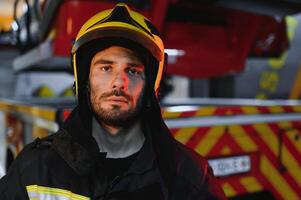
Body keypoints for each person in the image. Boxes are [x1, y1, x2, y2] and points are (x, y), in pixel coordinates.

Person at [0, 3, 226, 199]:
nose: (119, 82)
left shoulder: (190, 178)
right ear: (85, 79)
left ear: (150, 85)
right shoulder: (34, 169)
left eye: (133, 71)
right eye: (106, 68)